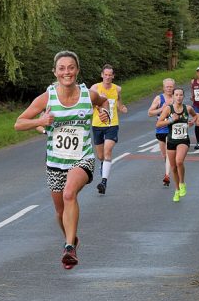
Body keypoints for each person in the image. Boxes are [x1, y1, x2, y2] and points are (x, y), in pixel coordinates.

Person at [14, 51, 109, 269]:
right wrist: (42, 120)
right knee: (59, 212)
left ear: (77, 70)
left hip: (82, 157)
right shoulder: (47, 98)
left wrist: (105, 114)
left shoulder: (88, 94)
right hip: (55, 161)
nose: (67, 72)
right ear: (55, 72)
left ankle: (68, 248)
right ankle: (71, 239)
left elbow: (103, 103)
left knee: (69, 194)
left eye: (71, 67)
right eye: (62, 68)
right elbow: (19, 123)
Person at [89, 64, 128, 194]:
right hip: (97, 125)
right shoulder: (95, 88)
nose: (107, 77)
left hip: (112, 124)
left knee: (107, 151)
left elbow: (118, 102)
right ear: (102, 75)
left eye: (110, 75)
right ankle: (103, 165)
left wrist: (121, 108)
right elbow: (89, 102)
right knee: (100, 156)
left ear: (113, 76)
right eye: (105, 75)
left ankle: (104, 182)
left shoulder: (117, 89)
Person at [156, 87, 199, 202]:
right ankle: (176, 190)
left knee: (179, 161)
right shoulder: (168, 109)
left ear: (183, 96)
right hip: (171, 141)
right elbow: (158, 124)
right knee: (173, 167)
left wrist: (192, 122)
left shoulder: (188, 108)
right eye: (176, 95)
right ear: (173, 96)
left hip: (183, 140)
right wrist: (171, 120)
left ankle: (182, 183)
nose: (179, 97)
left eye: (181, 95)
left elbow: (196, 116)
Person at [147, 77, 175, 186]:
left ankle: (167, 175)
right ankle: (168, 169)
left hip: (172, 129)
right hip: (160, 129)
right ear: (163, 88)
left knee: (168, 153)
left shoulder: (176, 97)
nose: (169, 89)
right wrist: (161, 109)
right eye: (167, 87)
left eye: (171, 87)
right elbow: (149, 113)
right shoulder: (159, 98)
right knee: (164, 155)